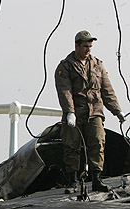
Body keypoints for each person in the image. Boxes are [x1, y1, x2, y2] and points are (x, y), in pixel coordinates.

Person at [55, 30, 126, 194]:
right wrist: (70, 112)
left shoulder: (97, 65)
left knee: (97, 143)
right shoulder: (65, 66)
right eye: (85, 46)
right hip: (76, 113)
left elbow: (107, 90)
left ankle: (96, 178)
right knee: (71, 146)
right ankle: (72, 181)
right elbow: (64, 91)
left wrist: (117, 111)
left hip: (94, 112)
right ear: (77, 46)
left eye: (90, 46)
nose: (88, 50)